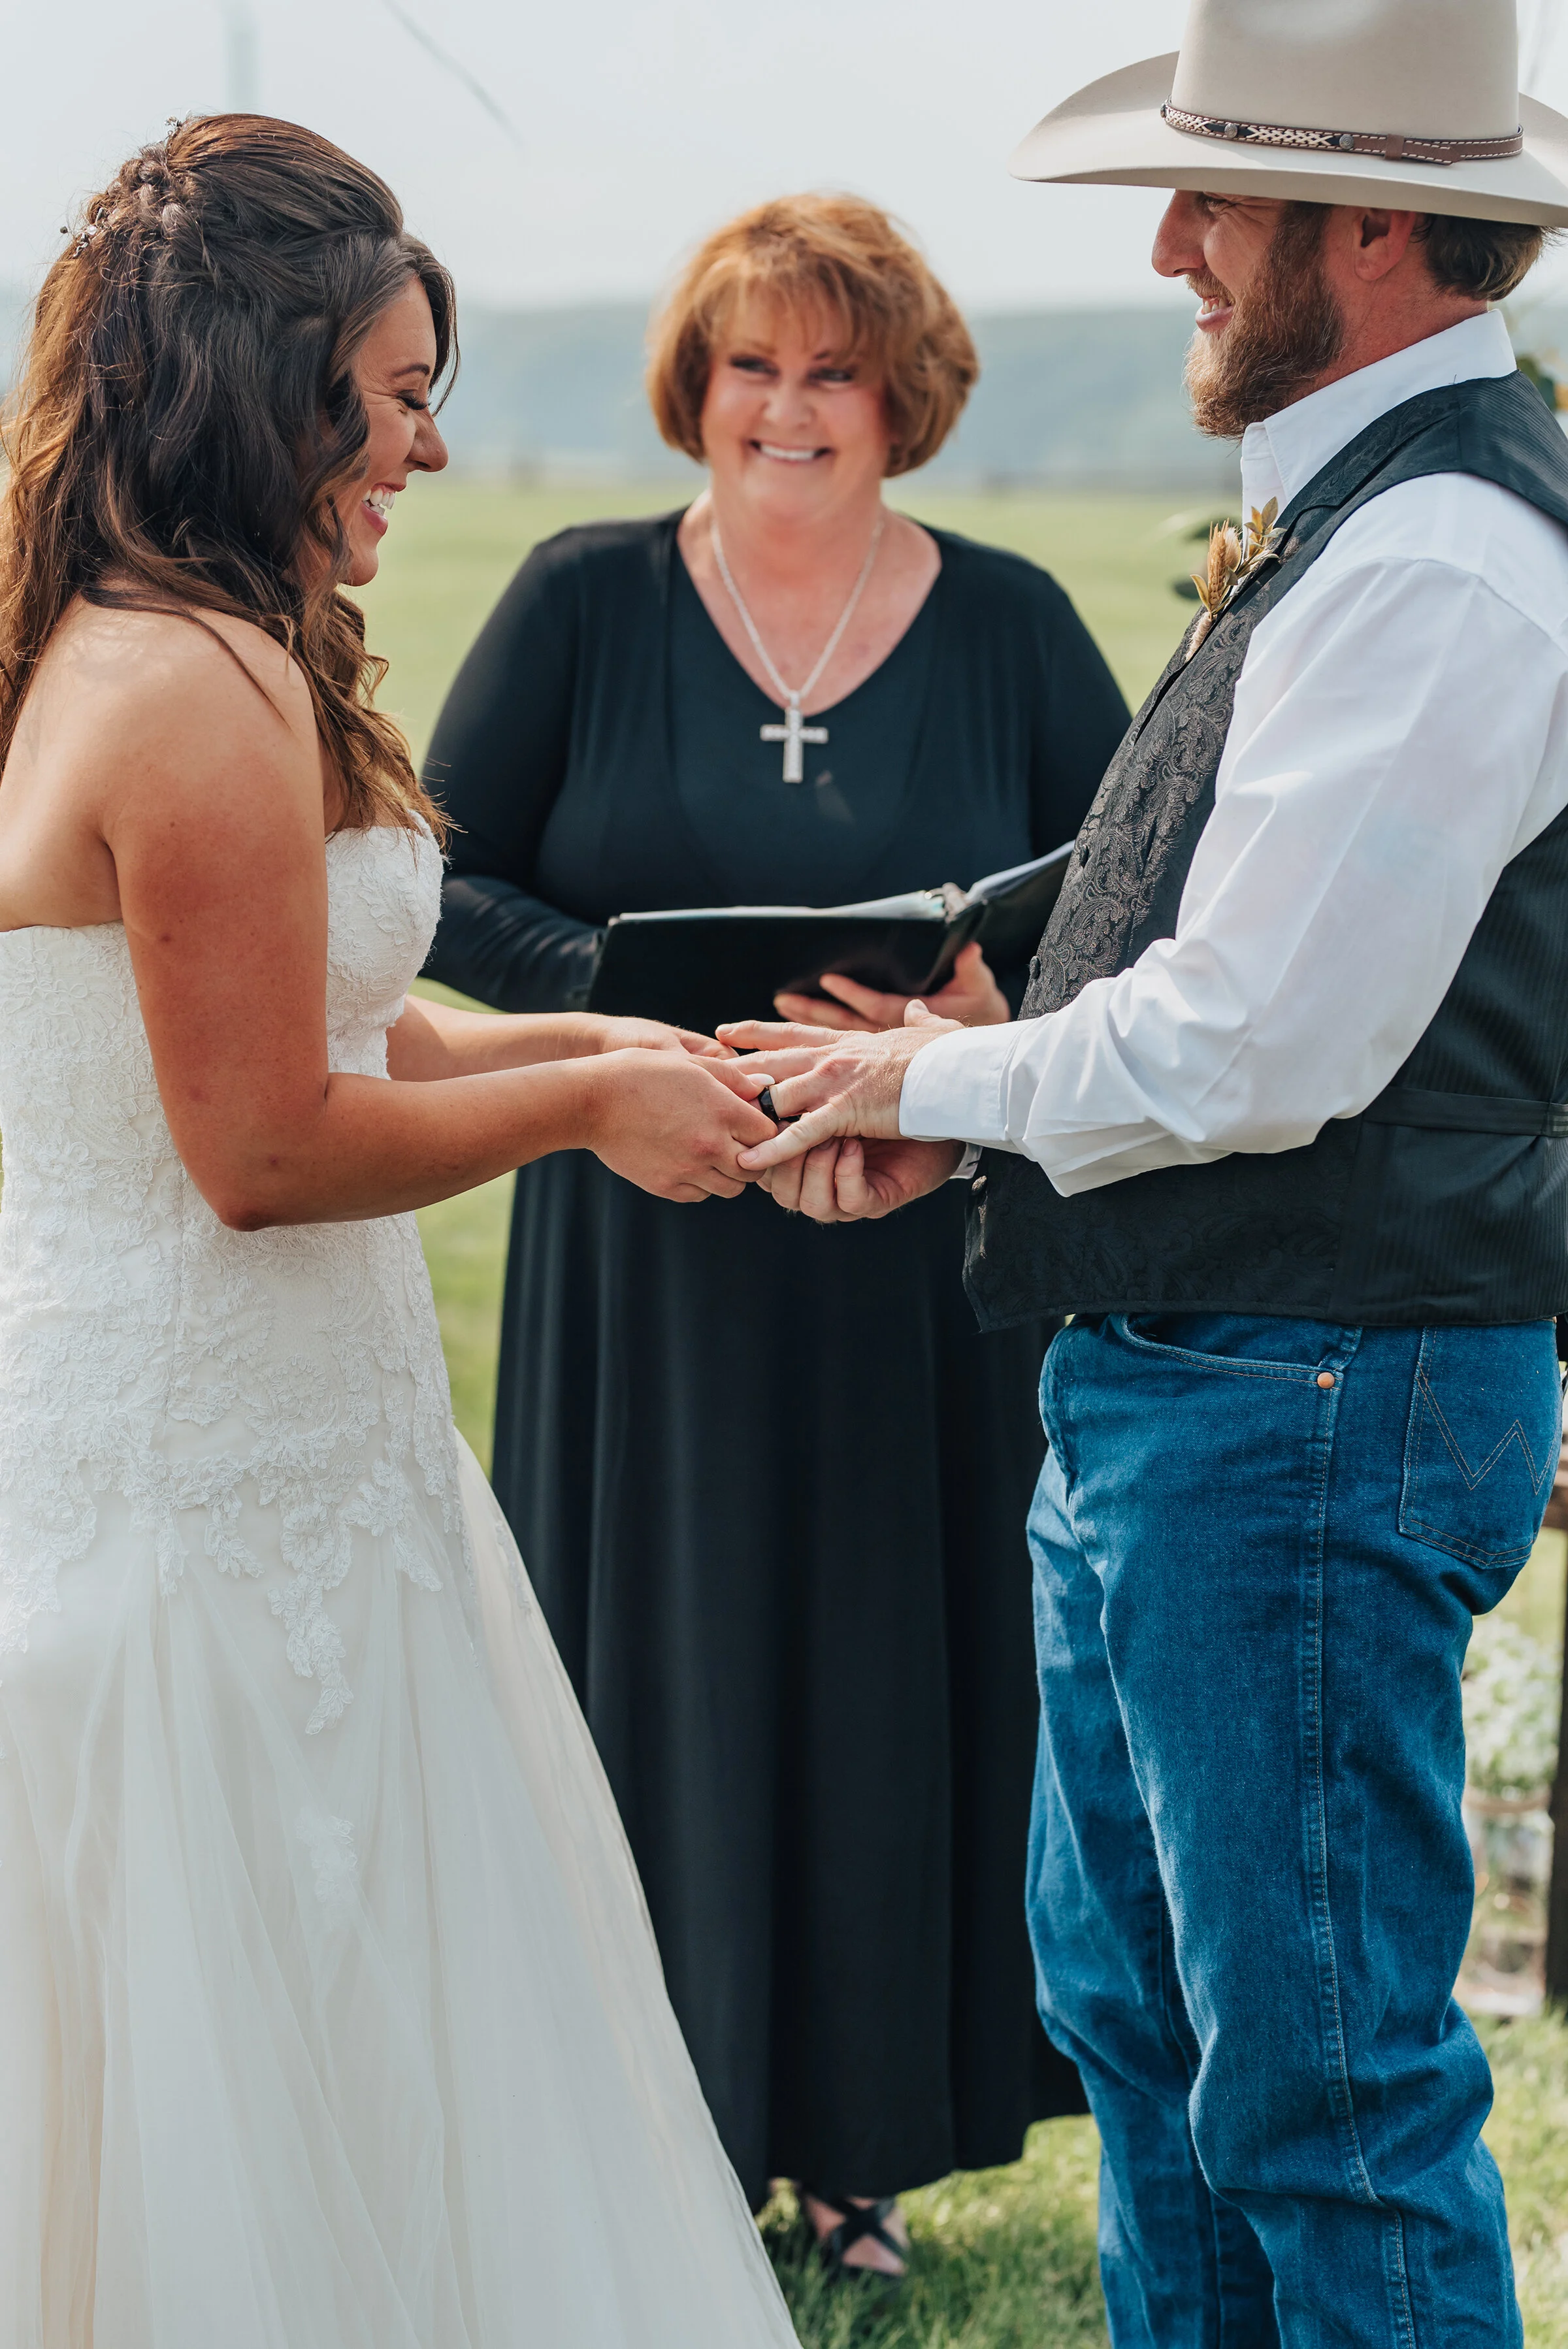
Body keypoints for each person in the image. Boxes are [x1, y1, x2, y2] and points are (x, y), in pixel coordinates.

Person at [725, 1, 1568, 2339]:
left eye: (1220, 201)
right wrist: (989, 1089)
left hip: (1305, 1405)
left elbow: (1263, 1042)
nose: (1176, 248)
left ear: (1376, 221)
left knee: (1323, 2101)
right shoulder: (1365, 510)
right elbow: (1212, 952)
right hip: (1198, 1384)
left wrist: (912, 1098)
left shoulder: (1452, 559)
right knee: (1154, 2044)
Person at [0, 115, 802, 2348]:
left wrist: (620, 1048)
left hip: (298, 1476)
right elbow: (256, 1147)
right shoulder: (196, 687)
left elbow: (335, 1019)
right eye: (402, 391)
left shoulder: (172, 639)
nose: (429, 448)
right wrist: (588, 1112)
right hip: (195, 1512)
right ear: (269, 386)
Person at [423, 193, 1129, 2269]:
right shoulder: (578, 600)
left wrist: (956, 1033)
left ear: (902, 396)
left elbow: (1109, 921)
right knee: (656, 1662)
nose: (790, 407)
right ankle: (657, 2143)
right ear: (695, 388)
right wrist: (637, 1026)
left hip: (906, 1258)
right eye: (753, 364)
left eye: (834, 367)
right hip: (644, 1249)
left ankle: (860, 2159)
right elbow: (443, 882)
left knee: (883, 1675)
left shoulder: (1006, 624)